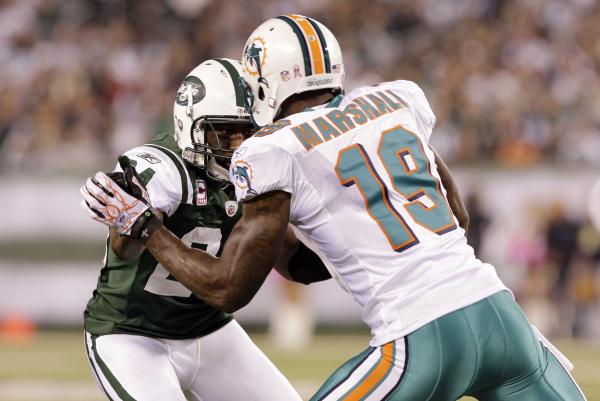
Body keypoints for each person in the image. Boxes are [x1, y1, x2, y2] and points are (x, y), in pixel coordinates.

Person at [82, 15, 587, 401]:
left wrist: (147, 228)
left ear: (265, 84)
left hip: (419, 334)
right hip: (501, 314)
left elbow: (231, 288)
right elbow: (457, 215)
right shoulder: (396, 101)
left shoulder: (273, 148)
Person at [80, 58, 302, 401]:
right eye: (224, 133)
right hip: (131, 334)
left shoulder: (258, 171)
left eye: (248, 132)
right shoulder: (164, 168)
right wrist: (132, 216)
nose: (239, 146)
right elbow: (125, 247)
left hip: (211, 329)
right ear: (190, 125)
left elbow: (291, 255)